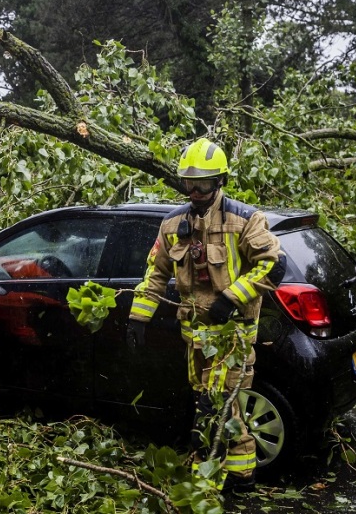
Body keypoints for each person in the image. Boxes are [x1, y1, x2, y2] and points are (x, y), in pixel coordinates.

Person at [126, 138, 286, 493]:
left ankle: (203, 479)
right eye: (189, 184)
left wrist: (231, 298)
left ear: (220, 182)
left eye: (203, 185)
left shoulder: (244, 220)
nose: (195, 192)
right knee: (226, 405)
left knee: (211, 407)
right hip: (194, 336)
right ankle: (244, 475)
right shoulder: (172, 224)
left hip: (232, 337)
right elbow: (156, 273)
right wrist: (139, 317)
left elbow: (274, 266)